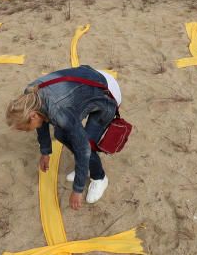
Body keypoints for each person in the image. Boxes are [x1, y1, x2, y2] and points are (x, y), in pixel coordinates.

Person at [7, 66, 121, 209]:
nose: (26, 131)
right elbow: (41, 122)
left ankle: (99, 178)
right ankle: (84, 169)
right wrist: (45, 151)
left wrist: (77, 189)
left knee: (87, 145)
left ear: (32, 116)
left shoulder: (59, 112)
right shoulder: (30, 96)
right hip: (90, 81)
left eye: (25, 128)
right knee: (61, 133)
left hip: (107, 94)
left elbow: (83, 148)